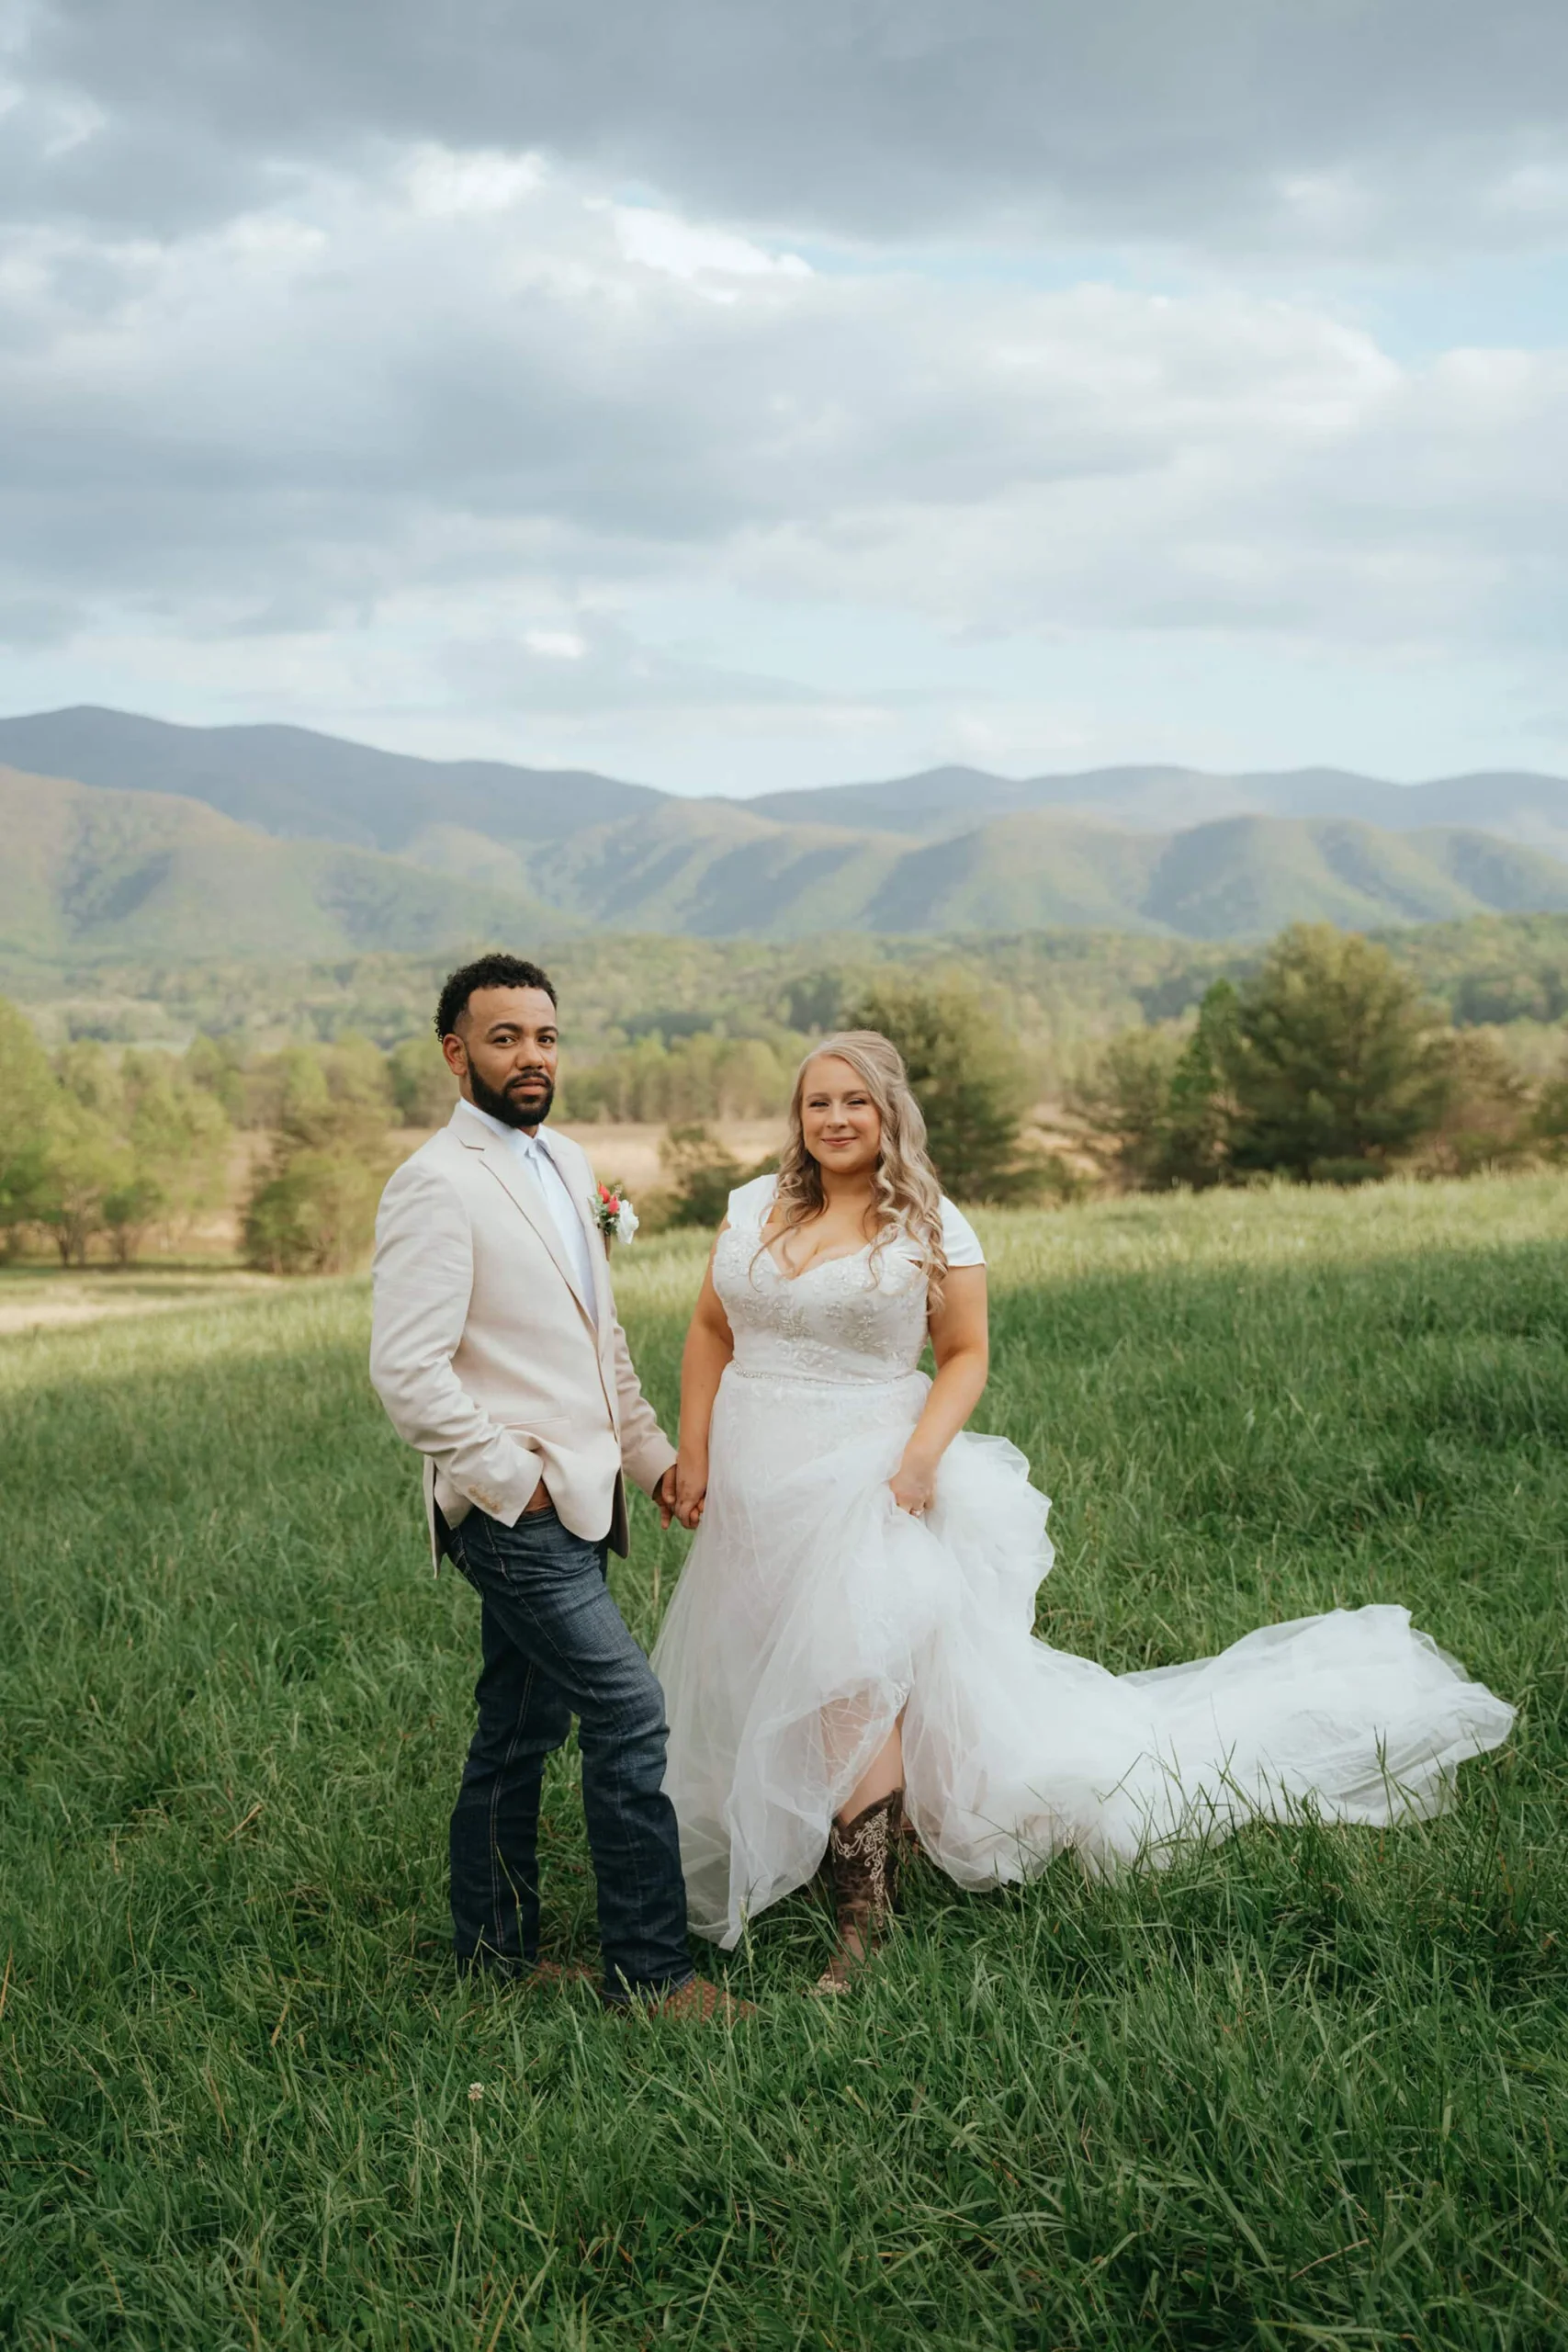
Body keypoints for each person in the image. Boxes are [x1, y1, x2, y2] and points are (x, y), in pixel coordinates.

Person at [653, 1029, 1515, 1991]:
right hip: (755, 1477)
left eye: (855, 1101)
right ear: (798, 1116)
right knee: (761, 1656)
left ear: (890, 1112)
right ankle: (811, 1846)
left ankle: (865, 1920)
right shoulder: (750, 1209)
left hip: (868, 1470)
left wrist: (918, 1461)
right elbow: (709, 1327)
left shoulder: (932, 1223)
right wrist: (694, 1449)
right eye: (818, 1102)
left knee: (850, 1669)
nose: (836, 1118)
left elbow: (966, 1354)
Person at [369, 952, 738, 2019]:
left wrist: (654, 1457)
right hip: (515, 1509)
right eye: (503, 1038)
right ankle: (652, 1974)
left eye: (545, 1037)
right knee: (630, 1710)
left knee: (517, 1728)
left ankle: (492, 1952)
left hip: (588, 1493)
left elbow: (598, 1341)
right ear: (456, 1053)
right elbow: (407, 1371)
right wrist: (509, 1480)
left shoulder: (568, 1162)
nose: (530, 1057)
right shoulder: (434, 1185)